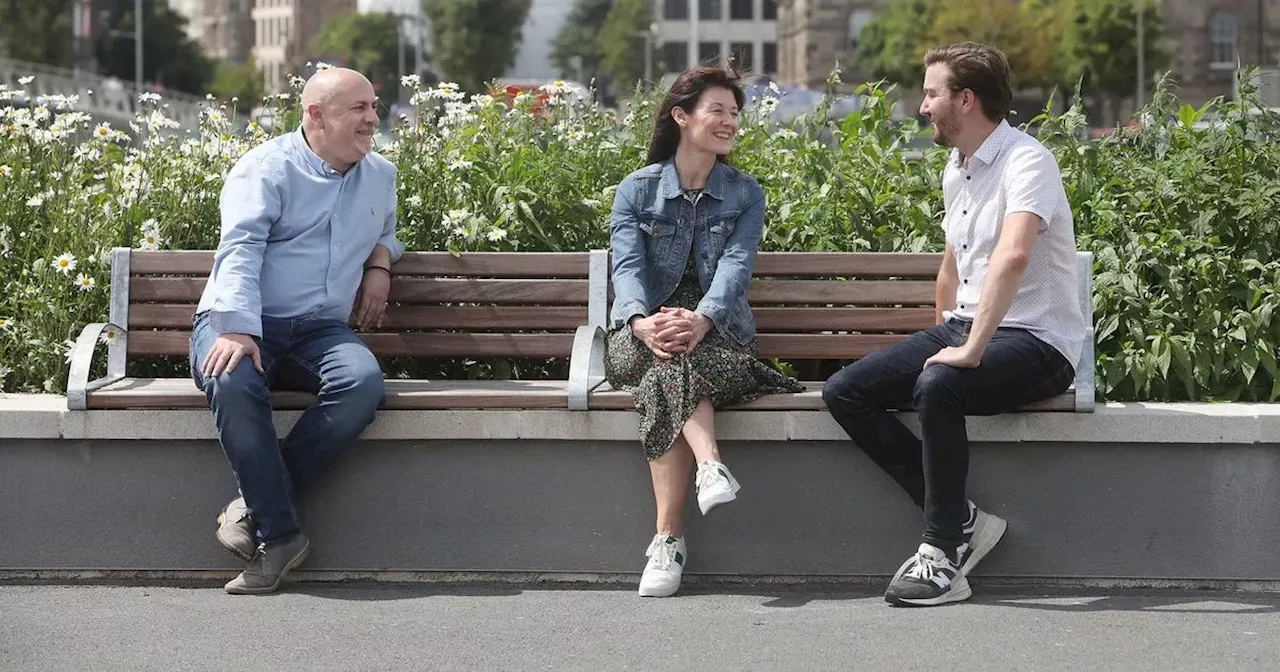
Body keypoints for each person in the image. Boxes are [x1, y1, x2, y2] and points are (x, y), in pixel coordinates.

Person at [822, 43, 1086, 607]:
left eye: (931, 93)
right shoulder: (957, 166)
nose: (922, 107)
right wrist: (946, 332)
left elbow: (1013, 256)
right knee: (847, 390)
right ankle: (961, 518)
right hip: (970, 325)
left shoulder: (1026, 160)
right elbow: (954, 262)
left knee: (939, 383)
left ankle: (942, 554)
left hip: (1039, 342)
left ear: (965, 100)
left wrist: (969, 351)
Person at [190, 68, 404, 595]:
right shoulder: (265, 169)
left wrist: (380, 263)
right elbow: (239, 250)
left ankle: (254, 507)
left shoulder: (380, 173)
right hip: (244, 320)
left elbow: (386, 231)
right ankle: (282, 534)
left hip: (319, 330)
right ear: (315, 115)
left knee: (361, 383)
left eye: (374, 107)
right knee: (232, 378)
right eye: (358, 109)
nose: (373, 119)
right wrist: (238, 330)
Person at [606, 65, 804, 598]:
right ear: (681, 116)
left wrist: (701, 318)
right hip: (642, 332)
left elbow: (736, 268)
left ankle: (667, 543)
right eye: (717, 110)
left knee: (662, 380)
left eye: (734, 113)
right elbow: (625, 269)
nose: (729, 121)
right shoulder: (636, 190)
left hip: (718, 334)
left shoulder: (745, 194)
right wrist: (644, 323)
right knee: (661, 358)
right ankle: (711, 465)